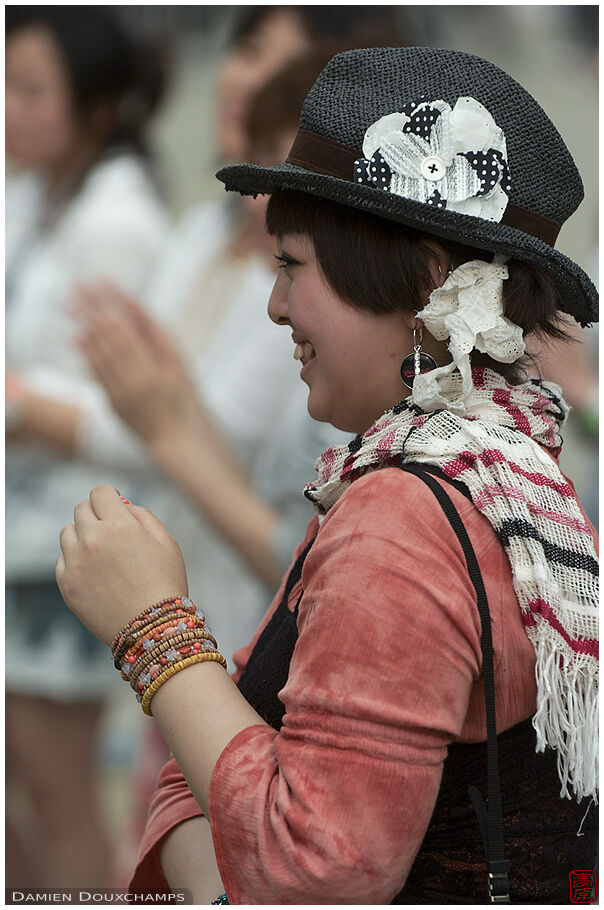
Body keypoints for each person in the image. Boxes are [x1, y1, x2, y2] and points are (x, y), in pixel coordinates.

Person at [57, 46, 598, 903]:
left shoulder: (402, 516)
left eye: (293, 266)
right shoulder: (500, 467)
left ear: (424, 279)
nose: (276, 304)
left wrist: (152, 627)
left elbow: (312, 877)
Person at [5, 6, 168, 888]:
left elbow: (144, 418)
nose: (8, 108)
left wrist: (21, 406)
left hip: (66, 538)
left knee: (57, 790)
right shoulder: (32, 191)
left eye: (32, 89)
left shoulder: (119, 220)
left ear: (98, 105)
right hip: (19, 524)